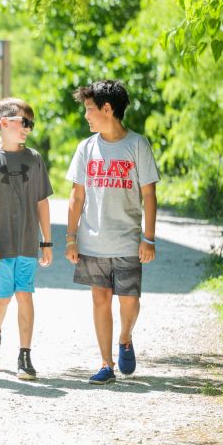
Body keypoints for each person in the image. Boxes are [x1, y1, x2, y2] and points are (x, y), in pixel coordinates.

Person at [64, 79, 160, 384]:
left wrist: (149, 237)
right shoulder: (86, 148)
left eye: (90, 110)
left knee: (129, 301)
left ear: (108, 109)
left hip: (128, 241)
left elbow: (149, 195)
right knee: (100, 299)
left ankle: (125, 338)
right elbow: (76, 196)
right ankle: (106, 364)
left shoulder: (137, 145)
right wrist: (70, 237)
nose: (86, 116)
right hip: (93, 241)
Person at [0, 98, 53, 380]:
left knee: (25, 295)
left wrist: (46, 242)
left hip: (28, 244)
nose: (28, 128)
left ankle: (25, 355)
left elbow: (42, 202)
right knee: (3, 298)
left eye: (31, 124)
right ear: (4, 123)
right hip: (1, 245)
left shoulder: (35, 159)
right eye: (24, 122)